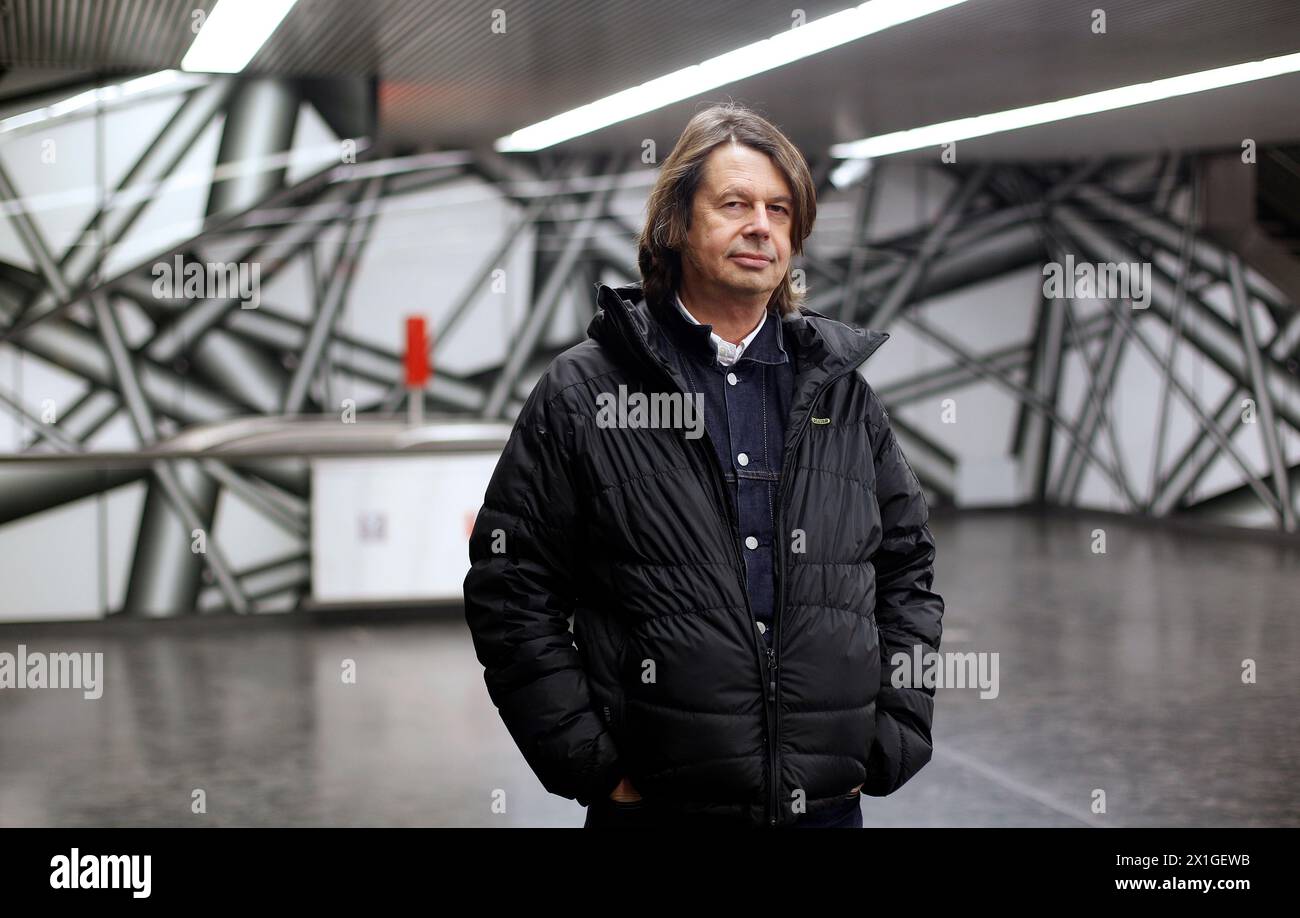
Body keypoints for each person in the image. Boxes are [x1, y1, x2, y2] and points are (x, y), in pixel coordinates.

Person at [463, 102, 944, 828]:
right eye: (735, 204)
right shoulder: (585, 391)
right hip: (658, 807)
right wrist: (593, 763)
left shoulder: (841, 396)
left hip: (823, 808)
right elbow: (511, 587)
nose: (761, 226)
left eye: (780, 211)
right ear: (676, 225)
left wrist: (894, 730)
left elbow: (907, 570)